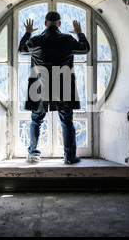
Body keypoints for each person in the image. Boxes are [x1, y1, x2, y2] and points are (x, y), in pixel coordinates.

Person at [18, 11, 90, 164]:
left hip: (39, 84)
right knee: (66, 120)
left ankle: (33, 154)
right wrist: (80, 33)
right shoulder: (67, 40)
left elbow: (22, 49)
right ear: (60, 24)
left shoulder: (36, 40)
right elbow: (85, 48)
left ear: (45, 23)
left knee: (36, 120)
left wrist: (28, 33)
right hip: (62, 83)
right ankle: (70, 156)